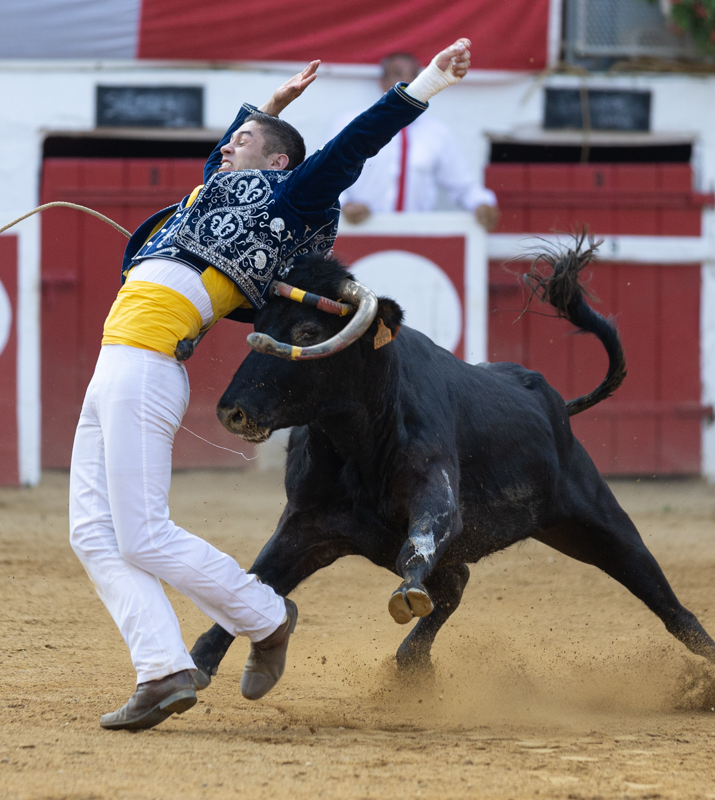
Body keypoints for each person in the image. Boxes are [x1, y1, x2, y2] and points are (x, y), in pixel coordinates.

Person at [68, 38, 475, 733]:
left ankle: (266, 614)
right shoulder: (207, 197)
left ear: (280, 161)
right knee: (93, 533)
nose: (229, 146)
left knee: (141, 535)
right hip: (113, 364)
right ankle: (163, 669)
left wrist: (427, 83)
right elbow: (219, 160)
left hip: (147, 365)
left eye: (246, 139)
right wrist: (271, 106)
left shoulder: (288, 202)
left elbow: (353, 147)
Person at [338, 52, 500, 232]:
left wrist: (481, 204)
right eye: (397, 74)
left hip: (417, 238)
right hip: (360, 232)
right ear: (381, 82)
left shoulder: (437, 133)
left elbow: (462, 185)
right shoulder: (352, 125)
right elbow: (327, 173)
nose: (407, 81)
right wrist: (344, 205)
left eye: (414, 75)